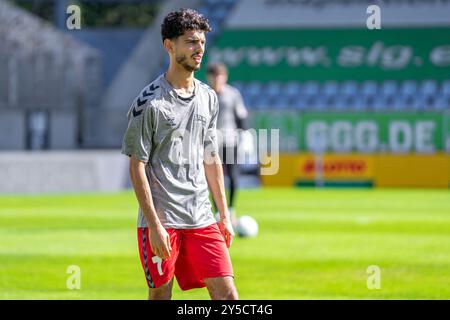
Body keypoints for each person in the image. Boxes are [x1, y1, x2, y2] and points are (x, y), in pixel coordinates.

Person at [121, 8, 238, 300]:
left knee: (228, 296)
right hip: (163, 221)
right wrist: (154, 225)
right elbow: (137, 167)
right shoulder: (149, 103)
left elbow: (211, 157)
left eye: (201, 41)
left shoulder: (209, 96)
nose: (199, 49)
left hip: (202, 217)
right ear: (169, 46)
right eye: (190, 41)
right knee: (161, 295)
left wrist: (223, 214)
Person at [206, 63, 248, 226]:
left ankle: (231, 209)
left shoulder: (232, 94)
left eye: (220, 76)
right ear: (209, 78)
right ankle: (217, 211)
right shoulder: (205, 94)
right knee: (213, 177)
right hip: (211, 142)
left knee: (233, 176)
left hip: (230, 140)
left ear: (225, 77)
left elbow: (241, 116)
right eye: (214, 76)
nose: (217, 79)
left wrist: (245, 134)